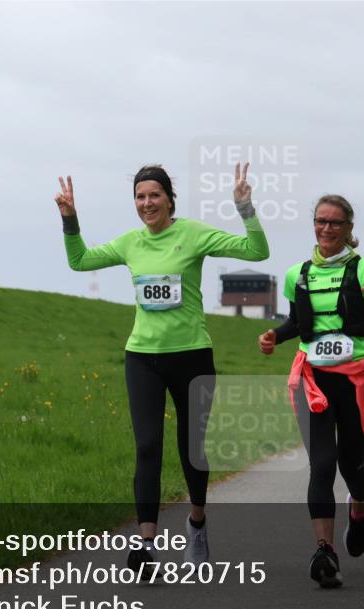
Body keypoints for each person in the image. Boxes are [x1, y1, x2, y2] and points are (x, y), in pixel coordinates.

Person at [54, 163, 269, 571]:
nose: (146, 203)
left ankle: (198, 523)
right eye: (139, 196)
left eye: (154, 195)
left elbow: (257, 251)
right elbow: (79, 261)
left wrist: (245, 210)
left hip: (192, 356)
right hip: (142, 357)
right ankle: (146, 543)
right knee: (148, 446)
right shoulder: (130, 243)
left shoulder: (193, 234)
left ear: (170, 198)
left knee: (193, 449)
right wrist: (70, 220)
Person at [257, 194, 364, 588]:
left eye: (335, 223)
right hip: (313, 381)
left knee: (351, 468)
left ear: (349, 229)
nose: (326, 229)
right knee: (322, 465)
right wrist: (274, 337)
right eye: (320, 221)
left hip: (353, 382)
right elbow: (298, 323)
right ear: (313, 225)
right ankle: (324, 551)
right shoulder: (298, 273)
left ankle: (359, 507)